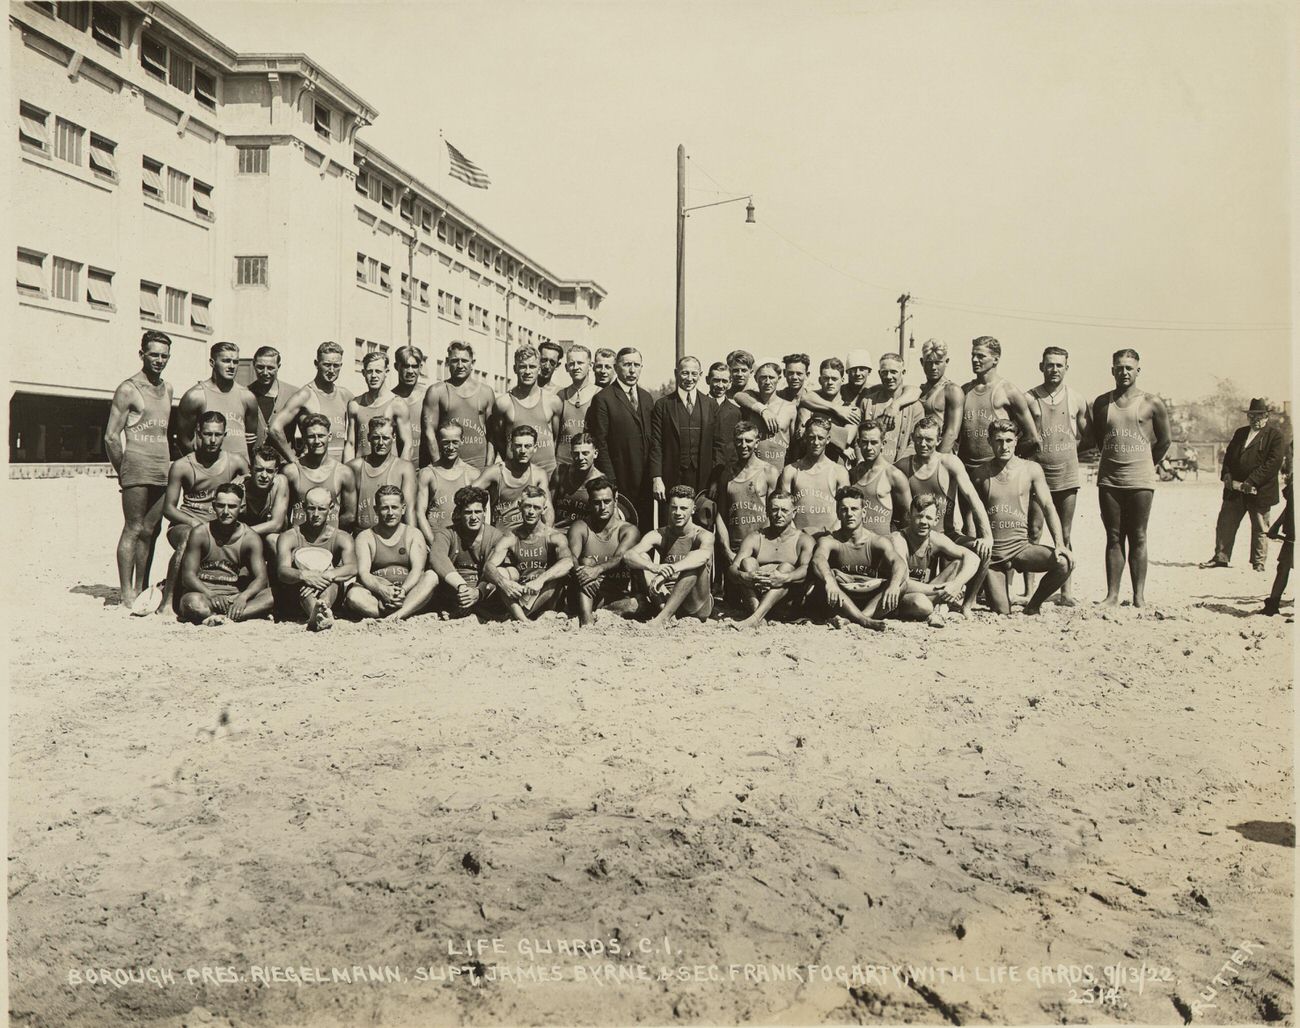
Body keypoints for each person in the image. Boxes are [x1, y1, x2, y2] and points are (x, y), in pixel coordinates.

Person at [1091, 349, 1170, 607]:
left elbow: (1164, 441)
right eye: (1119, 367)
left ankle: (1139, 596)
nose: (1124, 372)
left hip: (1140, 480)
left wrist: (1146, 464)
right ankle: (1112, 595)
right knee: (1113, 536)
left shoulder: (1152, 402)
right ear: (1112, 370)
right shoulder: (1103, 403)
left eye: (1129, 368)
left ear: (1138, 370)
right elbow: (1102, 441)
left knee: (1138, 536)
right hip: (1110, 480)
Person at [971, 419, 1074, 615]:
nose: (1004, 446)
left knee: (1064, 563)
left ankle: (1033, 605)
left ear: (1016, 441)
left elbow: (1048, 506)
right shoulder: (979, 473)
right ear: (989, 442)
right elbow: (971, 514)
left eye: (1009, 440)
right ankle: (993, 589)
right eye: (999, 441)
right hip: (993, 556)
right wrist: (979, 547)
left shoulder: (1031, 469)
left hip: (1020, 548)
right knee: (1002, 611)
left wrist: (1059, 544)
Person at [105, 330, 174, 610]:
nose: (159, 360)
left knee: (151, 530)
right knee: (133, 528)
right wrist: (123, 470)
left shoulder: (168, 388)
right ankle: (126, 594)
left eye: (164, 355)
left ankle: (141, 587)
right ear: (142, 354)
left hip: (161, 467)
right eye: (153, 354)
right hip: (135, 465)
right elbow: (111, 436)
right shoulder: (128, 389)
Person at [896, 415, 993, 614]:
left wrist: (987, 536)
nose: (923, 444)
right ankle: (934, 601)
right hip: (918, 536)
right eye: (919, 438)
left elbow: (973, 499)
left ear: (938, 440)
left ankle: (967, 604)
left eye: (929, 439)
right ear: (912, 438)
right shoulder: (902, 466)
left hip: (946, 533)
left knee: (982, 551)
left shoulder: (949, 463)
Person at [160, 412, 250, 615]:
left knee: (250, 538)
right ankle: (166, 601)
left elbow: (250, 487)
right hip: (188, 522)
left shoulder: (235, 462)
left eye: (218, 435)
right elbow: (169, 509)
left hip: (222, 523)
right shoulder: (183, 465)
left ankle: (242, 594)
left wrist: (243, 481)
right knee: (188, 537)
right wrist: (194, 523)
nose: (212, 440)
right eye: (207, 434)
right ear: (198, 434)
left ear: (225, 435)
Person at [1026, 346, 1089, 604]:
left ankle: (1066, 591)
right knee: (1033, 531)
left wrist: (1068, 452)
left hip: (1066, 475)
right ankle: (1029, 591)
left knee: (1064, 534)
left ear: (1066, 368)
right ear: (1041, 366)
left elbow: (1088, 436)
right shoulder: (1029, 398)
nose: (1054, 369)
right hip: (1037, 475)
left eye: (1059, 365)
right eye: (1049, 365)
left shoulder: (1076, 399)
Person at [1202, 398, 1285, 572]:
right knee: (1225, 523)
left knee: (1260, 527)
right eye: (1252, 415)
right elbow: (1229, 457)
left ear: (1267, 416)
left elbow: (1273, 463)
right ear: (1248, 416)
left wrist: (1251, 481)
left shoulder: (1275, 436)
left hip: (1259, 490)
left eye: (1260, 415)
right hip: (1235, 489)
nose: (1256, 419)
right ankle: (1221, 558)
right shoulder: (1240, 433)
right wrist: (1227, 475)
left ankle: (1258, 563)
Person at [810, 486, 907, 631]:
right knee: (822, 580)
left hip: (869, 597)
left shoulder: (877, 541)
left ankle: (858, 619)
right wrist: (829, 580)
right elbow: (818, 559)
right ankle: (865, 621)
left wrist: (894, 584)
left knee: (901, 583)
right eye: (844, 509)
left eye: (854, 509)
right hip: (841, 596)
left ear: (864, 512)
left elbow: (898, 562)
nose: (849, 514)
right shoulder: (830, 540)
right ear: (837, 513)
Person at [176, 482, 273, 625]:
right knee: (193, 603)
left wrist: (243, 597)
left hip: (234, 596)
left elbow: (261, 578)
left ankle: (223, 616)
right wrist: (210, 594)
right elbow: (188, 576)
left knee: (273, 595)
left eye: (232, 506)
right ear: (214, 506)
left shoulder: (250, 538)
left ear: (241, 507)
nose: (226, 511)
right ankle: (236, 616)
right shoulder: (200, 533)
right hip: (205, 594)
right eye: (221, 506)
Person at [624, 486, 715, 626]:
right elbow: (628, 556)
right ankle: (665, 613)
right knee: (642, 557)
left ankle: (662, 618)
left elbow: (704, 556)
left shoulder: (702, 535)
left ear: (693, 510)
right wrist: (654, 567)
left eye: (684, 508)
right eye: (674, 507)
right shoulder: (660, 534)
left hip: (695, 604)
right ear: (669, 508)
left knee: (693, 562)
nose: (678, 513)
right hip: (665, 598)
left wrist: (671, 570)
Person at [344, 484, 438, 621]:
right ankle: (403, 612)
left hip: (407, 592)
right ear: (376, 510)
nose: (390, 513)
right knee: (354, 596)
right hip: (377, 595)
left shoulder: (413, 534)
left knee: (431, 577)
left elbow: (418, 569)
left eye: (394, 507)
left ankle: (398, 614)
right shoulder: (365, 537)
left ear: (403, 509)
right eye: (384, 508)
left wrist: (403, 591)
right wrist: (382, 590)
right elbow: (364, 573)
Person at [484, 485, 575, 622]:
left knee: (558, 576)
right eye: (527, 506)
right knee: (501, 573)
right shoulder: (511, 537)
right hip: (521, 593)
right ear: (519, 506)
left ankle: (519, 617)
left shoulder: (553, 537)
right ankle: (522, 619)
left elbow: (568, 562)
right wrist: (504, 583)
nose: (531, 512)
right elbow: (488, 567)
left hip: (545, 593)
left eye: (536, 507)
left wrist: (540, 580)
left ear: (544, 510)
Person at [586, 346, 654, 528]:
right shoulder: (603, 398)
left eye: (636, 365)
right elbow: (600, 441)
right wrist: (611, 481)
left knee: (645, 530)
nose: (632, 370)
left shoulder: (647, 398)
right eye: (627, 365)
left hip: (645, 480)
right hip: (620, 477)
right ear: (616, 368)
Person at [887, 494, 979, 627]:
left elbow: (973, 558)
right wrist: (941, 590)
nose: (924, 522)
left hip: (927, 591)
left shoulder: (936, 539)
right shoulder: (899, 540)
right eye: (919, 516)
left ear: (936, 521)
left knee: (958, 564)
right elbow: (903, 583)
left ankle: (940, 607)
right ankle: (940, 608)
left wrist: (956, 585)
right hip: (901, 594)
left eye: (929, 517)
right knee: (922, 604)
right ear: (908, 516)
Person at [728, 491, 815, 628]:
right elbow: (733, 568)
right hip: (755, 599)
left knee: (786, 567)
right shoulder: (756, 537)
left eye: (784, 510)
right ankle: (758, 616)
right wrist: (744, 575)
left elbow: (807, 569)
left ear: (794, 513)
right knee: (747, 562)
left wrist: (786, 577)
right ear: (767, 511)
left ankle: (755, 618)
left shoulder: (803, 540)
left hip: (785, 603)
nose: (779, 514)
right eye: (774, 509)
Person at [275, 486, 357, 631]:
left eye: (322, 509)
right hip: (299, 592)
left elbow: (352, 568)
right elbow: (282, 571)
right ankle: (320, 614)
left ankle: (320, 610)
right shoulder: (289, 537)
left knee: (334, 580)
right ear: (304, 507)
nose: (316, 514)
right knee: (302, 584)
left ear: (331, 509)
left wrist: (325, 576)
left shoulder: (342, 537)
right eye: (311, 508)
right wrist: (304, 575)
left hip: (329, 588)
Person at [957, 336, 1040, 474]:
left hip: (996, 471)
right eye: (973, 355)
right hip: (966, 470)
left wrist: (1006, 456)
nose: (974, 360)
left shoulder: (1009, 392)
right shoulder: (964, 390)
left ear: (995, 359)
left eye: (980, 356)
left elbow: (1032, 437)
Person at [650, 356, 722, 512]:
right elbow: (656, 444)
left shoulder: (711, 404)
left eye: (694, 374)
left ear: (701, 375)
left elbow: (718, 445)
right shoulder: (663, 405)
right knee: (672, 523)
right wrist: (657, 478)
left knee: (702, 525)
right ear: (676, 373)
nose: (690, 378)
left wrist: (715, 480)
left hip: (703, 478)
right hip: (671, 477)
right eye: (685, 373)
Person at [567, 476, 642, 626]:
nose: (602, 507)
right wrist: (584, 573)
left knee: (637, 604)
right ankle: (586, 619)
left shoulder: (627, 530)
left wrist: (597, 570)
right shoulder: (581, 527)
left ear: (615, 499)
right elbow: (571, 557)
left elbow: (619, 557)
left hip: (614, 593)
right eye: (596, 503)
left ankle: (603, 612)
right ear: (589, 503)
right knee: (586, 562)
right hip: (584, 591)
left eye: (607, 501)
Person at [426, 486, 507, 619]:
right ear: (459, 513)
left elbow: (493, 570)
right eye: (468, 512)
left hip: (482, 593)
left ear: (485, 512)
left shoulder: (496, 536)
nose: (474, 517)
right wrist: (461, 586)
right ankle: (400, 614)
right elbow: (437, 558)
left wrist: (478, 592)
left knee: (502, 572)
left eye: (478, 512)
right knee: (429, 575)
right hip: (454, 592)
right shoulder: (447, 533)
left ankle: (475, 609)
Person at [269, 341, 354, 463]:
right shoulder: (305, 395)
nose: (331, 370)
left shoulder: (345, 395)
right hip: (313, 469)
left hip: (339, 469)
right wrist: (294, 462)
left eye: (336, 365)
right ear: (316, 364)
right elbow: (274, 429)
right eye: (326, 365)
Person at [175, 341, 258, 459]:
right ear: (212, 362)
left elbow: (250, 440)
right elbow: (184, 440)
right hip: (208, 471)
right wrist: (199, 467)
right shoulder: (195, 396)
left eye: (235, 362)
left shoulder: (247, 397)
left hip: (240, 472)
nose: (232, 366)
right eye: (226, 361)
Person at [714, 420, 782, 565]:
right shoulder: (726, 475)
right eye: (739, 441)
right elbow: (721, 515)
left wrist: (768, 547)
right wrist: (726, 550)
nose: (743, 445)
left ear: (757, 442)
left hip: (761, 547)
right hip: (735, 547)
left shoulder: (768, 472)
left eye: (748, 441)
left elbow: (775, 513)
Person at [422, 341, 495, 472]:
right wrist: (439, 468)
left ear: (472, 363)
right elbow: (429, 433)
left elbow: (493, 436)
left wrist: (488, 469)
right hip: (448, 466)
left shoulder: (486, 392)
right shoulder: (437, 391)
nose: (460, 365)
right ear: (447, 361)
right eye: (455, 360)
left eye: (465, 360)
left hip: (478, 465)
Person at [492, 345, 563, 474]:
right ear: (515, 369)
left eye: (532, 367)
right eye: (523, 366)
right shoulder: (503, 403)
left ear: (539, 369)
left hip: (547, 470)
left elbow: (556, 439)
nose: (527, 372)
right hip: (515, 472)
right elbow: (499, 441)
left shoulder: (553, 401)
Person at [778, 417, 849, 536]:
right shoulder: (791, 471)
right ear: (805, 438)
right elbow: (783, 508)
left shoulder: (839, 472)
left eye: (820, 438)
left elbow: (847, 507)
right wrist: (797, 536)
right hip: (798, 539)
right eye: (811, 437)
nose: (816, 443)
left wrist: (830, 535)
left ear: (828, 439)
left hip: (830, 538)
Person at [283, 413, 356, 529]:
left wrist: (331, 534)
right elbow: (283, 514)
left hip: (329, 540)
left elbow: (350, 515)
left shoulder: (343, 473)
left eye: (321, 436)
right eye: (312, 436)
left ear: (330, 436)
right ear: (304, 439)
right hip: (299, 540)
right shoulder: (291, 471)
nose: (317, 441)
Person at [474, 424, 552, 528]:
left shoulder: (539, 474)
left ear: (535, 448)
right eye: (518, 446)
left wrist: (547, 531)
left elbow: (548, 508)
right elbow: (467, 494)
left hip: (527, 535)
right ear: (511, 447)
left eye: (527, 446)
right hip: (501, 535)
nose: (523, 451)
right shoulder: (496, 472)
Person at [347, 415, 416, 532]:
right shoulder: (354, 467)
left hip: (393, 535)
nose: (380, 443)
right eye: (375, 438)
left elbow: (409, 510)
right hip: (362, 535)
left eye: (385, 438)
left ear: (394, 437)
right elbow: (348, 514)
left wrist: (413, 538)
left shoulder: (404, 468)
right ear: (368, 438)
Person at [344, 350, 413, 461]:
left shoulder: (397, 404)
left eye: (378, 371)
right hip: (361, 471)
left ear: (386, 372)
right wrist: (347, 473)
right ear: (363, 373)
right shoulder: (355, 405)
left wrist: (402, 473)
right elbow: (350, 444)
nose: (374, 376)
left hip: (388, 473)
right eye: (370, 371)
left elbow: (407, 446)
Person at [847, 419, 912, 536]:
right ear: (859, 442)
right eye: (865, 442)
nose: (869, 447)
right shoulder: (853, 473)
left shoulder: (894, 475)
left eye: (874, 442)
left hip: (882, 547)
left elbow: (908, 516)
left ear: (883, 443)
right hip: (855, 545)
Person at [858, 352, 925, 464]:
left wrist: (899, 467)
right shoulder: (868, 402)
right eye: (884, 372)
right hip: (871, 470)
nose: (889, 377)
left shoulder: (915, 407)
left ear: (903, 372)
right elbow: (858, 438)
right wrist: (861, 461)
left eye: (893, 372)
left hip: (902, 471)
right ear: (879, 374)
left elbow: (915, 442)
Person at [416, 423, 478, 541]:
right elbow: (419, 513)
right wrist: (434, 544)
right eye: (446, 442)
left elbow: (481, 512)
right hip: (436, 538)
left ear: (462, 441)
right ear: (439, 442)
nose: (450, 447)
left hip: (463, 542)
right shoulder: (427, 474)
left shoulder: (472, 474)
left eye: (454, 442)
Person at [795, 357, 859, 462]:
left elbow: (845, 439)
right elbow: (802, 437)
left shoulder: (851, 410)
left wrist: (811, 424)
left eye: (834, 379)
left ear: (842, 381)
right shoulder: (809, 401)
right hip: (808, 465)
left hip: (836, 467)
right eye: (826, 378)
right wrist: (837, 409)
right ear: (820, 380)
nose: (830, 382)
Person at [742, 362, 799, 470]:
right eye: (763, 377)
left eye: (771, 377)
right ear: (755, 379)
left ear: (779, 378)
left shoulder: (790, 408)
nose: (768, 382)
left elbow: (794, 445)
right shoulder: (750, 404)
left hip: (779, 471)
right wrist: (763, 410)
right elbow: (738, 396)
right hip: (753, 471)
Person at [917, 339, 964, 454]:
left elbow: (952, 433)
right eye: (929, 362)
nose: (933, 367)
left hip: (942, 455)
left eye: (938, 362)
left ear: (946, 362)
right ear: (922, 362)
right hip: (922, 450)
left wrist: (936, 460)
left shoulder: (952, 390)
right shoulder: (920, 390)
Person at [555, 344, 599, 468]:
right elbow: (555, 433)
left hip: (589, 464)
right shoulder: (560, 395)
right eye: (571, 364)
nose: (576, 367)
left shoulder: (600, 394)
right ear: (566, 367)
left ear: (590, 366)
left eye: (580, 363)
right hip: (563, 463)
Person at [1261, 447, 1293, 616]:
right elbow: (1291, 505)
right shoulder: (1294, 478)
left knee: (1284, 567)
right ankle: (1273, 604)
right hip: (1293, 530)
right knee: (1284, 566)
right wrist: (1276, 526)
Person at [550, 433, 606, 528]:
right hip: (557, 530)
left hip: (584, 534)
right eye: (576, 453)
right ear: (571, 454)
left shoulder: (601, 480)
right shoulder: (561, 472)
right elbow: (548, 505)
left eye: (585, 453)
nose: (580, 458)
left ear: (595, 453)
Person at [248, 345, 297, 450]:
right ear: (253, 365)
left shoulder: (293, 393)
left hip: (285, 461)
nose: (265, 373)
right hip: (256, 462)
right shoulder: (245, 394)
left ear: (278, 366)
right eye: (260, 367)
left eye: (270, 368)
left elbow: (307, 426)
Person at [239, 445, 290, 544]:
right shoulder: (238, 488)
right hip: (245, 541)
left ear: (276, 472)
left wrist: (242, 532)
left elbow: (276, 525)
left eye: (269, 471)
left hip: (264, 536)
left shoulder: (280, 482)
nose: (264, 476)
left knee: (273, 540)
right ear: (250, 469)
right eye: (259, 470)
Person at [391, 346, 431, 467]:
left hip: (425, 468)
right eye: (405, 366)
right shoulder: (389, 399)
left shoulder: (428, 397)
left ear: (420, 367)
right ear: (396, 366)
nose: (410, 371)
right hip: (397, 468)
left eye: (414, 366)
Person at [708, 360, 741, 445]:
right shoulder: (696, 406)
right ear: (708, 380)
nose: (720, 385)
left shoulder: (736, 412)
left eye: (724, 381)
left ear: (730, 383)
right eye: (716, 380)